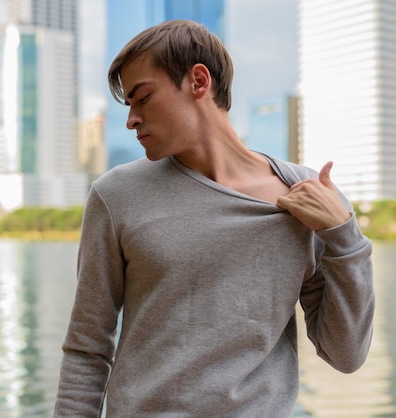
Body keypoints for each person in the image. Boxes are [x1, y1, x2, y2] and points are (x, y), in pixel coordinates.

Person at [53, 19, 375, 417]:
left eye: (143, 98)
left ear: (199, 82)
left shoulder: (308, 196)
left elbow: (345, 356)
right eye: (129, 105)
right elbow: (87, 349)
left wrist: (345, 238)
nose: (131, 119)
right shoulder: (115, 196)